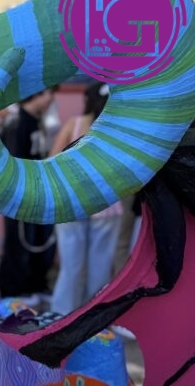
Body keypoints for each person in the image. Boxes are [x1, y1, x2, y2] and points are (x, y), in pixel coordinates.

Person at [49, 83, 123, 315]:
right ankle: (93, 317)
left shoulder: (74, 124)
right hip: (107, 203)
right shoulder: (117, 131)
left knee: (70, 266)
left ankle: (62, 316)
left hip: (71, 203)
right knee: (101, 265)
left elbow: (51, 161)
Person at [0, 87, 59, 305]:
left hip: (37, 193)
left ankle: (36, 284)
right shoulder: (17, 123)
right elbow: (12, 163)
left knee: (39, 241)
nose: (52, 99)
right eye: (50, 93)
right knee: (18, 242)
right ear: (38, 93)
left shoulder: (38, 121)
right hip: (19, 195)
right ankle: (13, 291)